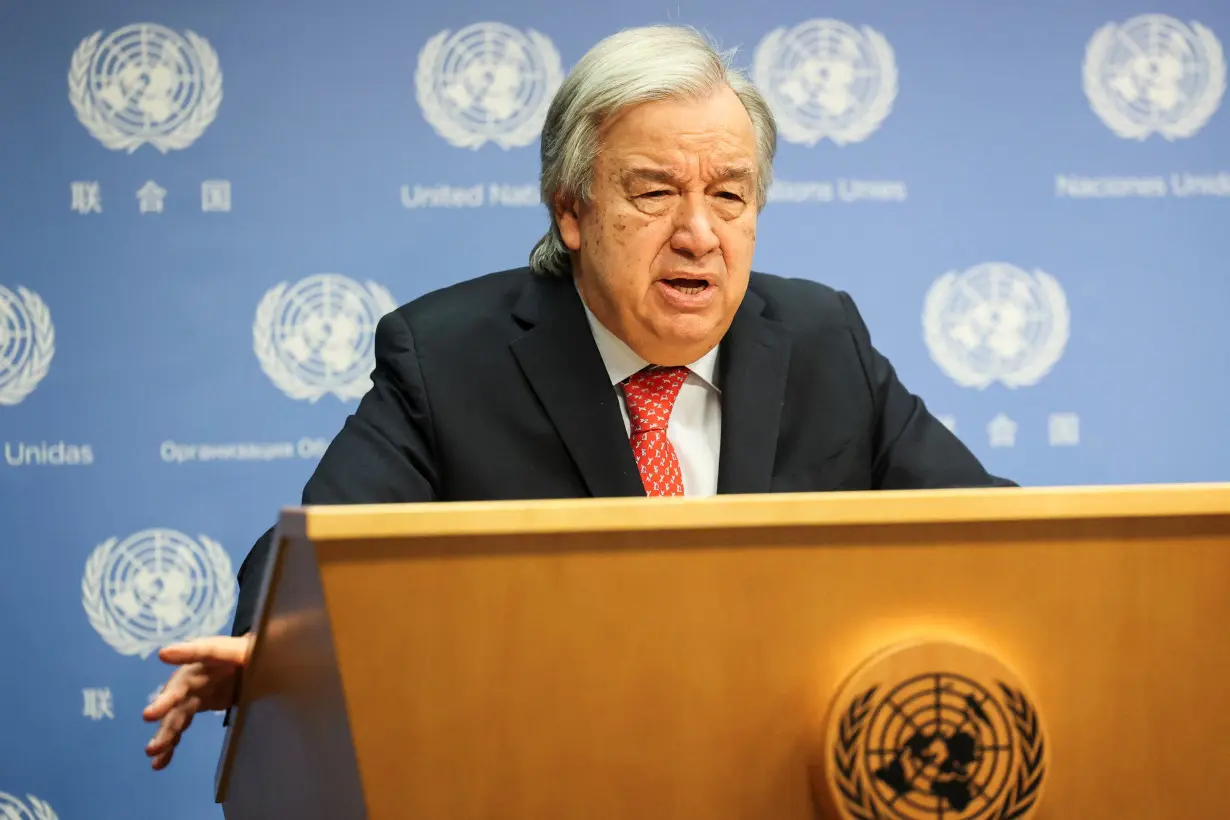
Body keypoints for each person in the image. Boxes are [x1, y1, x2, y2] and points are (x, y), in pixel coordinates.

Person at [142, 24, 1013, 770]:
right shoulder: (449, 357)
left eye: (729, 195)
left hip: (779, 771)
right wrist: (272, 644)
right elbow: (320, 549)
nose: (699, 234)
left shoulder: (824, 339)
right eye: (656, 192)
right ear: (571, 209)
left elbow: (995, 537)